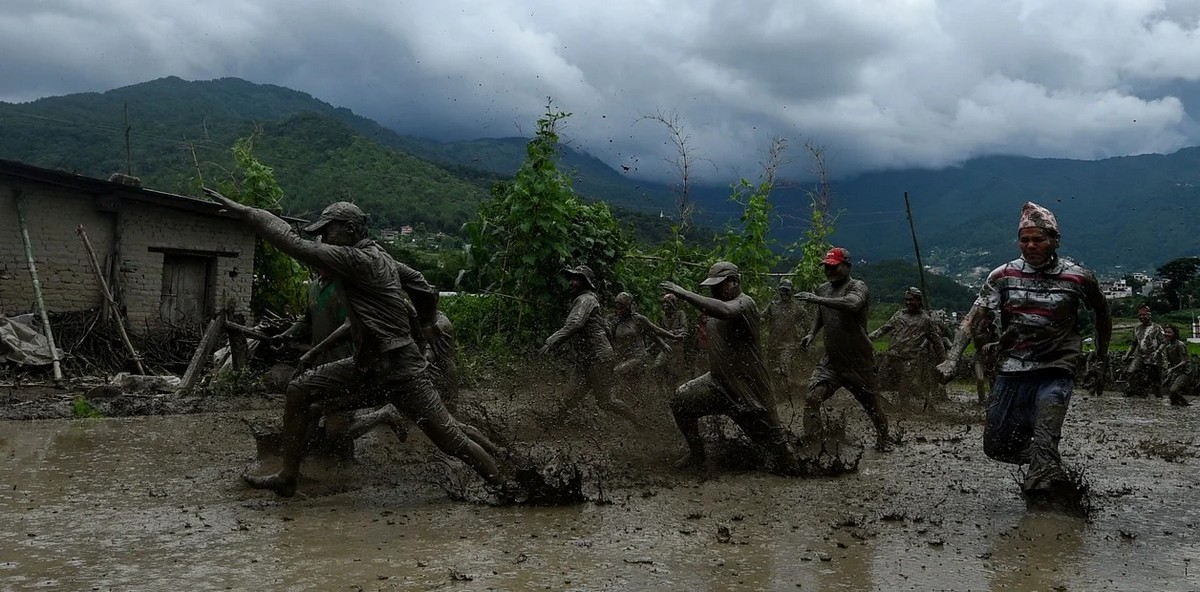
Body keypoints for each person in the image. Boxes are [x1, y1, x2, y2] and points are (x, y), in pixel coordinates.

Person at [203, 190, 501, 496]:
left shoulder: (357, 259)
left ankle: (505, 487)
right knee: (299, 390)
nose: (323, 239)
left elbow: (292, 243)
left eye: (327, 231)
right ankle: (288, 475)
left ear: (351, 229)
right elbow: (421, 284)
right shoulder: (381, 259)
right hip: (366, 364)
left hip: (401, 370)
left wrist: (248, 212)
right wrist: (427, 320)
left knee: (451, 441)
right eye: (320, 233)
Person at [936, 201, 1111, 502]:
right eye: (1024, 240)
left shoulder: (1079, 277)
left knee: (1045, 434)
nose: (1030, 245)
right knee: (996, 446)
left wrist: (1101, 356)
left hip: (1056, 367)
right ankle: (1050, 468)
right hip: (1013, 367)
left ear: (1055, 239)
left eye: (1038, 239)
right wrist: (952, 359)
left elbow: (1103, 314)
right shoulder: (1002, 276)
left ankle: (1050, 513)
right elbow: (972, 318)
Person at [659, 261, 796, 473]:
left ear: (733, 282)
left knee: (779, 453)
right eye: (712, 286)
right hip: (717, 382)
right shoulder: (715, 307)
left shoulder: (744, 303)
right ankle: (697, 455)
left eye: (718, 285)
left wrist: (684, 294)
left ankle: (805, 463)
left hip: (748, 391)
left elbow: (724, 311)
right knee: (680, 401)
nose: (714, 290)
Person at [796, 247, 893, 451]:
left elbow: (852, 304)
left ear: (847, 266)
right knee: (813, 398)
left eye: (834, 267)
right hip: (831, 360)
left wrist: (816, 299)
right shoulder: (823, 289)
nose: (829, 271)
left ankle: (885, 439)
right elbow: (821, 314)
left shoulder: (857, 287)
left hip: (858, 361)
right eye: (827, 267)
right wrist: (812, 333)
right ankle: (814, 442)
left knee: (871, 404)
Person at [539, 265, 643, 427]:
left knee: (606, 402)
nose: (571, 283)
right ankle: (553, 425)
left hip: (598, 359)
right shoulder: (589, 300)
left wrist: (551, 341)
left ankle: (639, 422)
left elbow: (575, 323)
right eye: (571, 279)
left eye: (576, 279)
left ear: (586, 283)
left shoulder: (585, 299)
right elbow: (606, 328)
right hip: (589, 358)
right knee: (569, 398)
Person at [868, 287, 947, 407]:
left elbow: (937, 342)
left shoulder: (926, 320)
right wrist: (867, 338)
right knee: (876, 385)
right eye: (906, 300)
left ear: (919, 301)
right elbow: (883, 330)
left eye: (911, 300)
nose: (908, 302)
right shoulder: (899, 315)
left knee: (904, 390)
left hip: (909, 361)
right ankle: (886, 408)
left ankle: (911, 412)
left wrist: (944, 362)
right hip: (891, 357)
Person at [609, 292, 682, 405]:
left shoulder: (638, 319)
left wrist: (672, 337)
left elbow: (654, 330)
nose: (619, 311)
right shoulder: (615, 322)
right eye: (617, 308)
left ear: (628, 307)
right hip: (623, 358)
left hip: (638, 358)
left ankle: (616, 401)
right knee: (634, 387)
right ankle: (641, 407)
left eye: (622, 308)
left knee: (616, 372)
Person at [760, 278, 811, 396]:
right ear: (778, 291)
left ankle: (786, 395)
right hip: (772, 344)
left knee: (784, 368)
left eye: (787, 291)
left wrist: (807, 337)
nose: (784, 293)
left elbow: (807, 325)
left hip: (789, 345)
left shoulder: (797, 308)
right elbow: (762, 319)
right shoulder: (772, 306)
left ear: (792, 291)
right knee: (771, 370)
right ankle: (777, 392)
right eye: (782, 290)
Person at [651, 293, 691, 395]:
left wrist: (673, 333)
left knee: (673, 377)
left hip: (677, 348)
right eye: (664, 303)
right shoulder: (663, 317)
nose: (665, 306)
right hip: (666, 348)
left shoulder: (680, 314)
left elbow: (685, 329)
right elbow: (659, 333)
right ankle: (661, 391)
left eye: (667, 303)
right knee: (656, 367)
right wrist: (652, 346)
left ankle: (674, 396)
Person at [1123, 305, 1165, 398]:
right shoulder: (1137, 329)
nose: (1142, 317)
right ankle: (1133, 392)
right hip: (1141, 355)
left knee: (1156, 380)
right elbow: (1133, 344)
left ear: (1149, 315)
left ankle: (1159, 398)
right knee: (1131, 372)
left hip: (1154, 355)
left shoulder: (1157, 327)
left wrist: (1158, 351)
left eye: (1144, 315)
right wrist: (1127, 355)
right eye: (1140, 315)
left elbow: (1163, 342)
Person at [971, 313, 1000, 404]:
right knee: (980, 379)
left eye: (990, 321)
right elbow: (977, 340)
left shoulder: (993, 327)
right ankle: (981, 400)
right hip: (979, 355)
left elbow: (1000, 340)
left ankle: (993, 399)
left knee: (993, 379)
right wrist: (988, 333)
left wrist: (991, 343)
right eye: (986, 320)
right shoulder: (977, 327)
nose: (988, 322)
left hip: (991, 356)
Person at [1160, 324, 1192, 407]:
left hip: (1185, 371)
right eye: (1166, 332)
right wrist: (1168, 376)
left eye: (1169, 332)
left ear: (1175, 334)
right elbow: (1171, 363)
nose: (1167, 334)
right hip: (1176, 371)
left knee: (1173, 391)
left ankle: (1186, 405)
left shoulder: (1180, 345)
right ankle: (1179, 409)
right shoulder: (1168, 347)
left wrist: (1171, 370)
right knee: (1171, 396)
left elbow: (1184, 361)